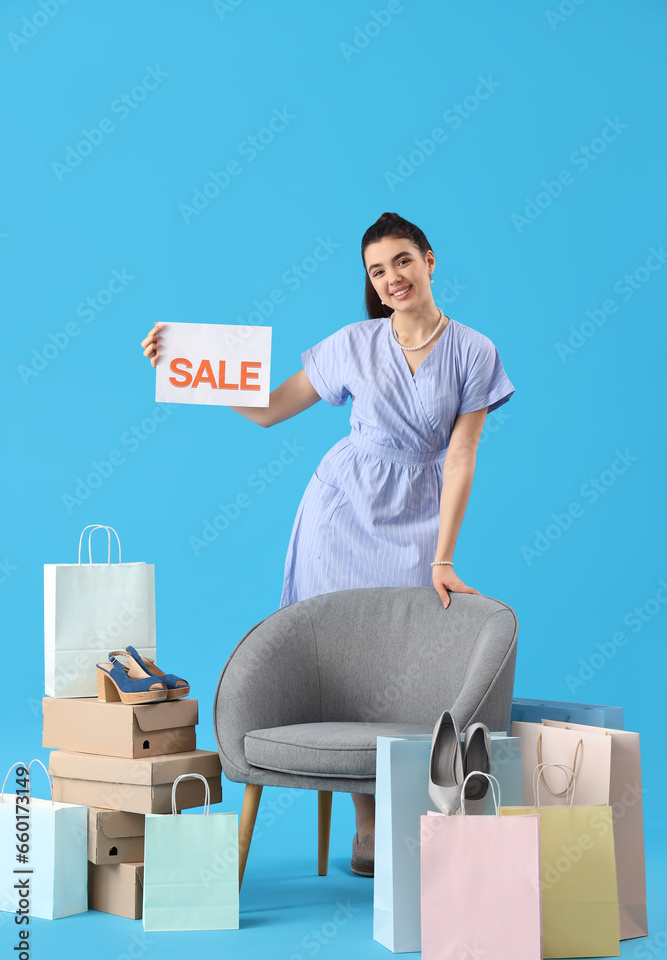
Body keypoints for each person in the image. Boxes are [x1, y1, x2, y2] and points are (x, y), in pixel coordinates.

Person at [141, 211, 515, 876]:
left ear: (429, 260)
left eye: (402, 260)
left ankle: (412, 813)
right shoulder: (352, 343)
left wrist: (443, 556)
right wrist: (184, 361)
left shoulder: (473, 351)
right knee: (344, 659)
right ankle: (366, 825)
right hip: (341, 511)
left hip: (417, 510)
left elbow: (461, 456)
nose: (391, 278)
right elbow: (267, 408)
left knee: (403, 659)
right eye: (377, 270)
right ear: (370, 282)